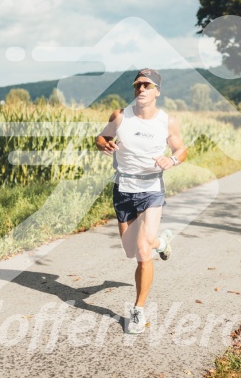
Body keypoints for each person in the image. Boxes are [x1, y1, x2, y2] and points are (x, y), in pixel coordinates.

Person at [95, 68, 187, 334]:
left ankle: (138, 310)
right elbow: (102, 137)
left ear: (157, 91)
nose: (141, 90)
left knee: (143, 251)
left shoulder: (167, 121)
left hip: (151, 189)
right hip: (123, 188)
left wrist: (172, 159)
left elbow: (181, 149)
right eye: (137, 86)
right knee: (132, 250)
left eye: (147, 85)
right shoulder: (120, 116)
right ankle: (163, 242)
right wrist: (103, 144)